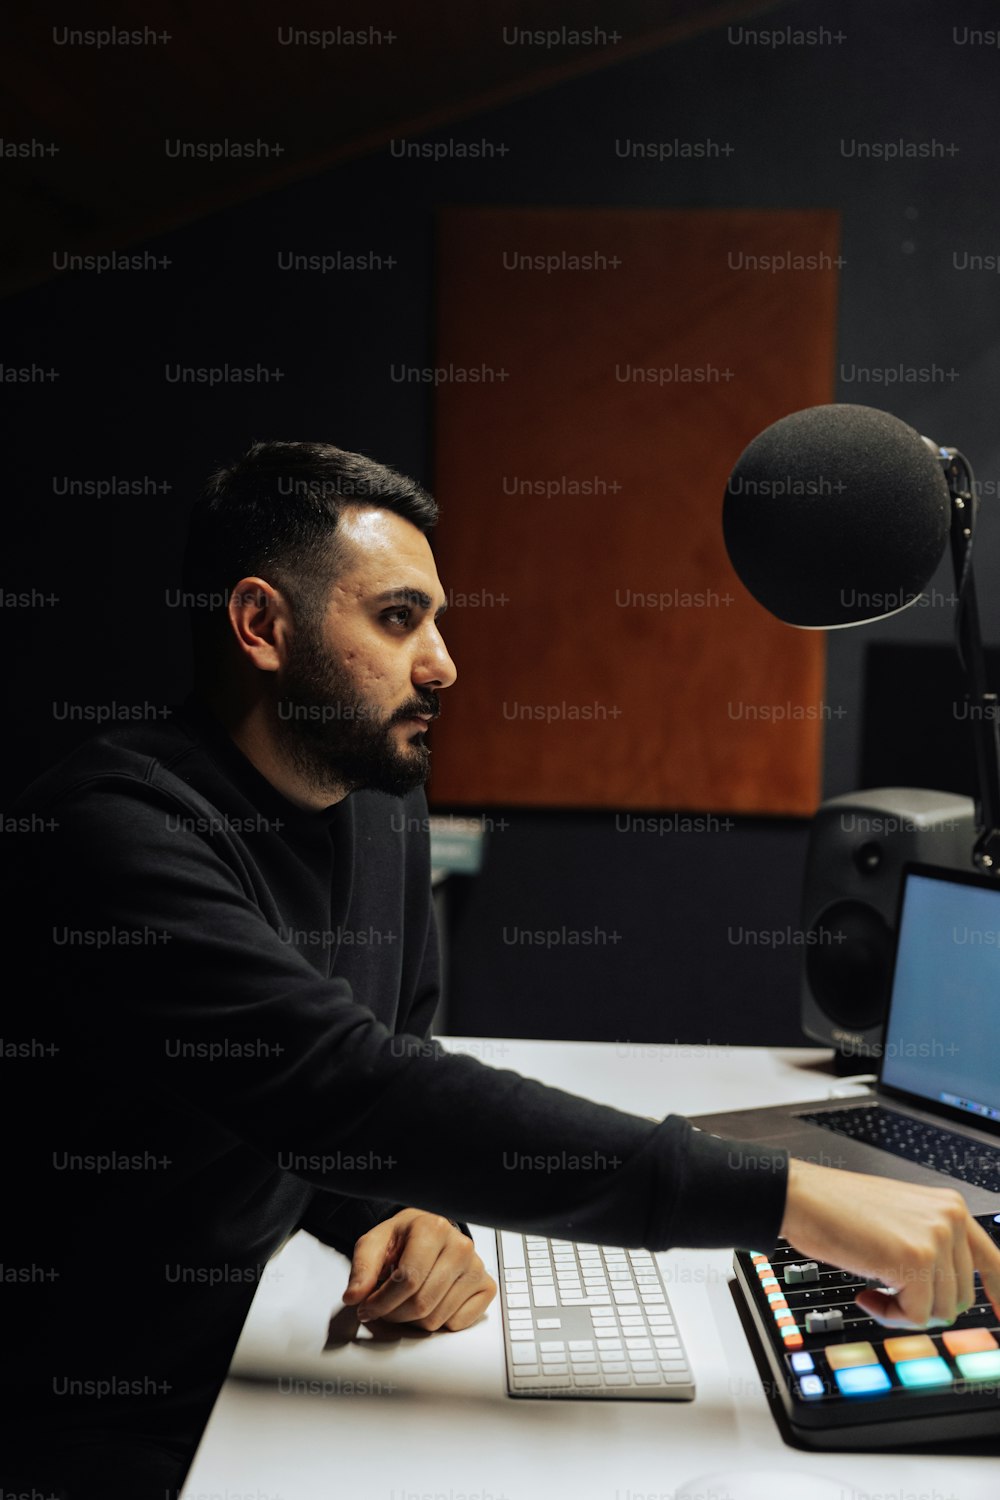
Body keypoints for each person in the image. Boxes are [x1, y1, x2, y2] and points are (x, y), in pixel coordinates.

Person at [5, 440, 1000, 1497]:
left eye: (437, 619)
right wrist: (795, 1200)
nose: (443, 663)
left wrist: (394, 1207)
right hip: (107, 1410)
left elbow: (366, 1071)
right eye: (397, 619)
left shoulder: (379, 804)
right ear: (260, 625)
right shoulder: (114, 838)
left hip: (266, 1333)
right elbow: (346, 1086)